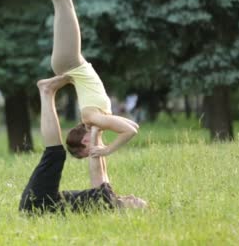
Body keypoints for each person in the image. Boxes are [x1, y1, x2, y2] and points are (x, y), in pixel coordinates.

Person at [30, 0, 139, 159]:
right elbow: (134, 127)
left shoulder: (92, 117)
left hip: (69, 62)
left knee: (63, 3)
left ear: (83, 140)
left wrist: (105, 148)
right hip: (69, 63)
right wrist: (104, 146)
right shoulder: (99, 120)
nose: (93, 145)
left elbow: (130, 131)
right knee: (62, 3)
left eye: (87, 147)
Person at [19, 75, 147, 213]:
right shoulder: (108, 197)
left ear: (128, 211)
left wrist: (95, 132)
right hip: (43, 202)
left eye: (136, 202)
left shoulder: (107, 203)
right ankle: (48, 92)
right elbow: (102, 166)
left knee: (55, 154)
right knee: (55, 154)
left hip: (38, 205)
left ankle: (46, 93)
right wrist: (100, 126)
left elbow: (96, 165)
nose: (133, 196)